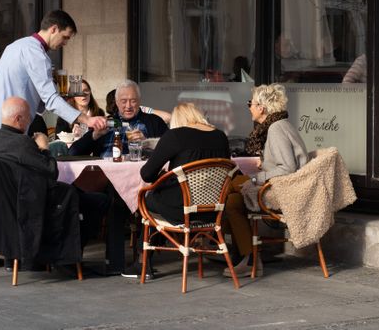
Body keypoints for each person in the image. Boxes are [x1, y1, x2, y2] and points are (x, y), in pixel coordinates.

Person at [0, 97, 108, 269]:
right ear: (18, 119)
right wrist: (44, 147)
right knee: (99, 200)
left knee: (79, 196)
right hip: (33, 207)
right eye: (28, 117)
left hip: (6, 210)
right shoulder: (22, 143)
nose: (31, 120)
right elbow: (51, 171)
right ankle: (67, 259)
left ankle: (59, 257)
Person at [119, 103, 231, 278]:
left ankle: (143, 261)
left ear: (177, 120)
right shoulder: (220, 136)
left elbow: (147, 174)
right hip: (213, 211)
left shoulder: (175, 136)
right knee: (157, 197)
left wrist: (166, 174)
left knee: (147, 198)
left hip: (181, 209)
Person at [0, 10, 107, 151]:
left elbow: (31, 93)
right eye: (65, 37)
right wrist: (87, 119)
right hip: (6, 128)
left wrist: (58, 95)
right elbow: (50, 100)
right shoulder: (37, 54)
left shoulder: (16, 45)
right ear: (53, 29)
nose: (65, 43)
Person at [224, 83, 309, 278]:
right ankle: (250, 258)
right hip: (283, 186)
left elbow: (287, 168)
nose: (249, 107)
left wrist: (255, 178)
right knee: (232, 202)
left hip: (284, 192)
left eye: (250, 103)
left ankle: (203, 229)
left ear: (261, 107)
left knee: (229, 187)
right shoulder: (280, 125)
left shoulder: (276, 129)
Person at [69, 80, 168, 157]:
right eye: (124, 101)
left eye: (133, 101)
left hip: (139, 177)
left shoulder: (154, 122)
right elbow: (73, 153)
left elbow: (169, 151)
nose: (128, 106)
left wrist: (146, 143)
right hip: (105, 177)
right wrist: (95, 135)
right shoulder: (107, 122)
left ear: (139, 101)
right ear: (117, 102)